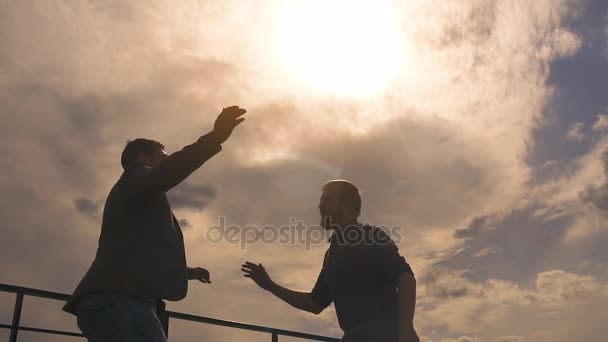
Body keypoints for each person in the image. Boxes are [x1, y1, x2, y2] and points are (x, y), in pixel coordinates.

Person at [63, 106, 247, 342]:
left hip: (123, 302)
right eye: (162, 155)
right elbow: (170, 170)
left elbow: (139, 251)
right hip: (120, 302)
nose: (166, 159)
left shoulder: (137, 194)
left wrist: (187, 272)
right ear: (142, 157)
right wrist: (214, 138)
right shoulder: (136, 176)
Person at [242, 180, 419, 342]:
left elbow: (405, 277)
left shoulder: (369, 236)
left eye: (326, 200)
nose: (320, 206)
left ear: (347, 205)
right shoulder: (332, 254)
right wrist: (270, 285)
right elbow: (315, 303)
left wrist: (405, 331)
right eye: (321, 200)